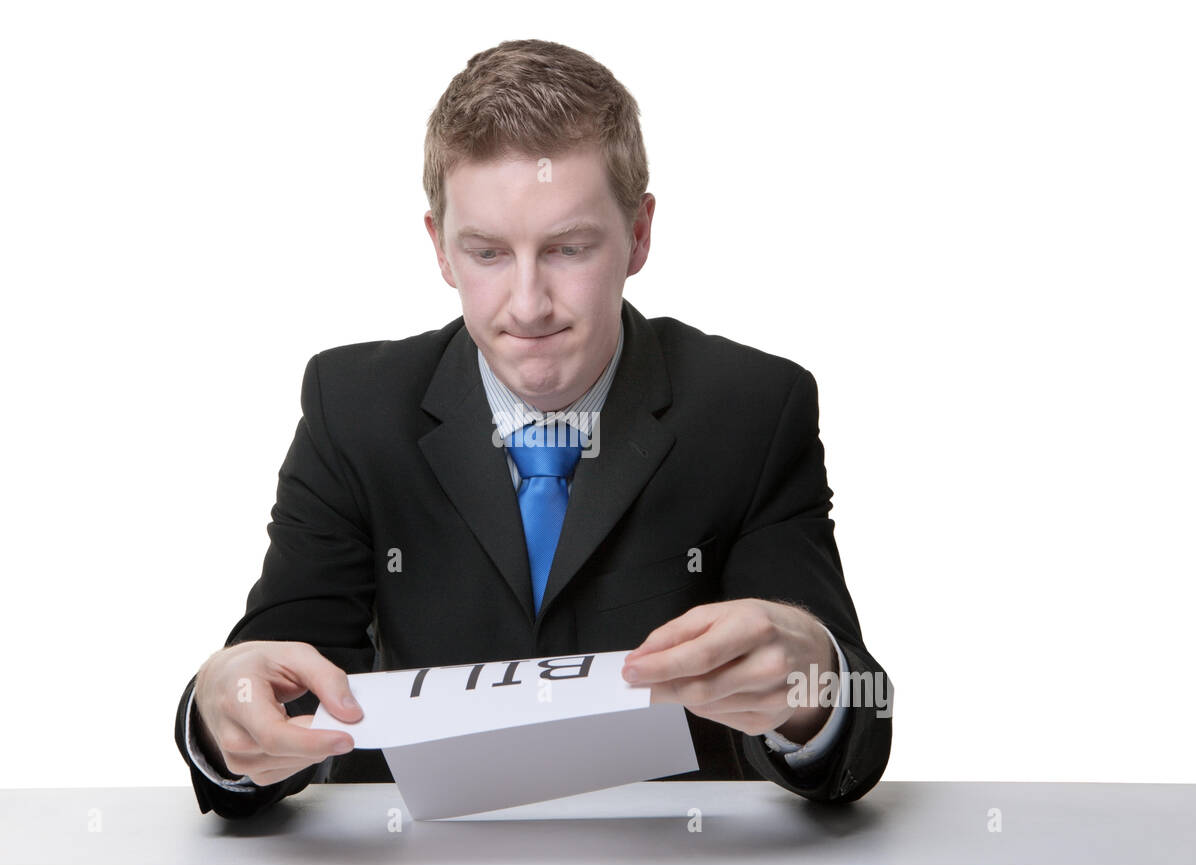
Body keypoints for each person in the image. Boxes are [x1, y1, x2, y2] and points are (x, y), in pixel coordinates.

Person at [174, 38, 892, 820]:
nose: (527, 305)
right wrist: (221, 714)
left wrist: (810, 682)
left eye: (568, 249)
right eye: (486, 253)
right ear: (439, 249)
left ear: (640, 235)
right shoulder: (354, 408)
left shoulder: (752, 408)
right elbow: (273, 690)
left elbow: (856, 737)